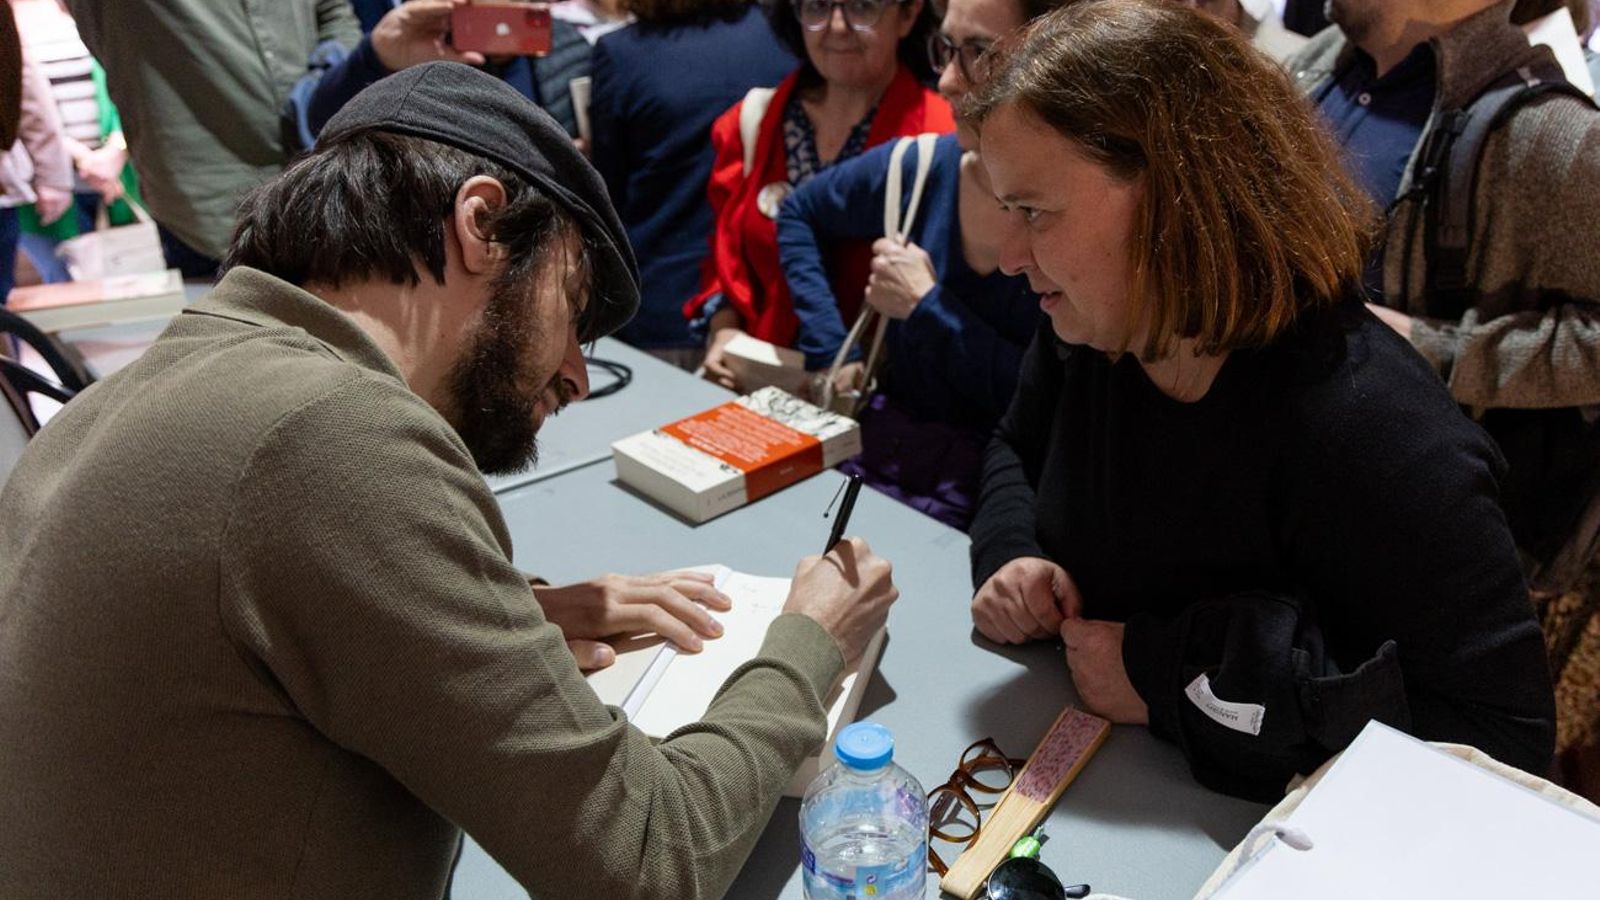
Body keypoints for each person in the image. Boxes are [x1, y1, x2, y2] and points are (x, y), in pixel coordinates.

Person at [0, 63, 899, 896]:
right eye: (574, 305)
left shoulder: (133, 398)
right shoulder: (335, 437)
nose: (578, 377)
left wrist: (496, 615)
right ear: (480, 224)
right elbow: (647, 857)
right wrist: (804, 643)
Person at [965, 0, 1554, 801]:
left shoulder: (1375, 432)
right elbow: (1015, 446)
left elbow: (1501, 749)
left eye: (1034, 212)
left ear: (1175, 194)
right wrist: (1010, 554)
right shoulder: (1091, 329)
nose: (1007, 255)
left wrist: (1169, 675)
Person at [1288, 0, 1600, 795]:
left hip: (1443, 547)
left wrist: (1446, 353)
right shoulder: (1324, 63)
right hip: (1305, 511)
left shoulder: (1551, 132)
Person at [775, 0, 1049, 529]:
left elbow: (1054, 402)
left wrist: (926, 306)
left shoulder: (1082, 217)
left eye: (979, 54)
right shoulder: (919, 166)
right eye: (946, 49)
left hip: (1001, 518)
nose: (947, 80)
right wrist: (833, 349)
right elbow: (798, 212)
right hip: (879, 476)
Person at [65, 0, 484, 278]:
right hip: (208, 211)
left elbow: (332, 10)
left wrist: (338, 75)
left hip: (333, 186)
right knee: (240, 384)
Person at [688, 0, 954, 389]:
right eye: (816, 5)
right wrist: (723, 332)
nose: (837, 26)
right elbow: (724, 260)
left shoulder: (944, 137)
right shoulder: (751, 123)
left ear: (908, 14)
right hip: (762, 391)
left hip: (887, 404)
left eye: (862, 7)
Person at [590, 0, 795, 366]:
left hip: (664, 305)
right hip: (769, 303)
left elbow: (607, 198)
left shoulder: (622, 54)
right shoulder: (781, 34)